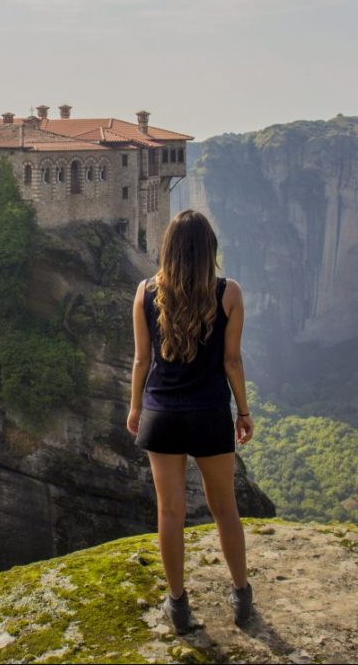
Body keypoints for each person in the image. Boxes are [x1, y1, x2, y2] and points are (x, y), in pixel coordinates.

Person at [126, 210, 255, 634]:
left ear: (169, 250)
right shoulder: (228, 293)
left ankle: (178, 604)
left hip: (161, 415)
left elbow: (142, 359)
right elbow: (231, 360)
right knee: (225, 509)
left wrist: (134, 408)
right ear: (209, 250)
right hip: (209, 414)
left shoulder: (144, 293)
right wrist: (244, 411)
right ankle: (240, 596)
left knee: (170, 512)